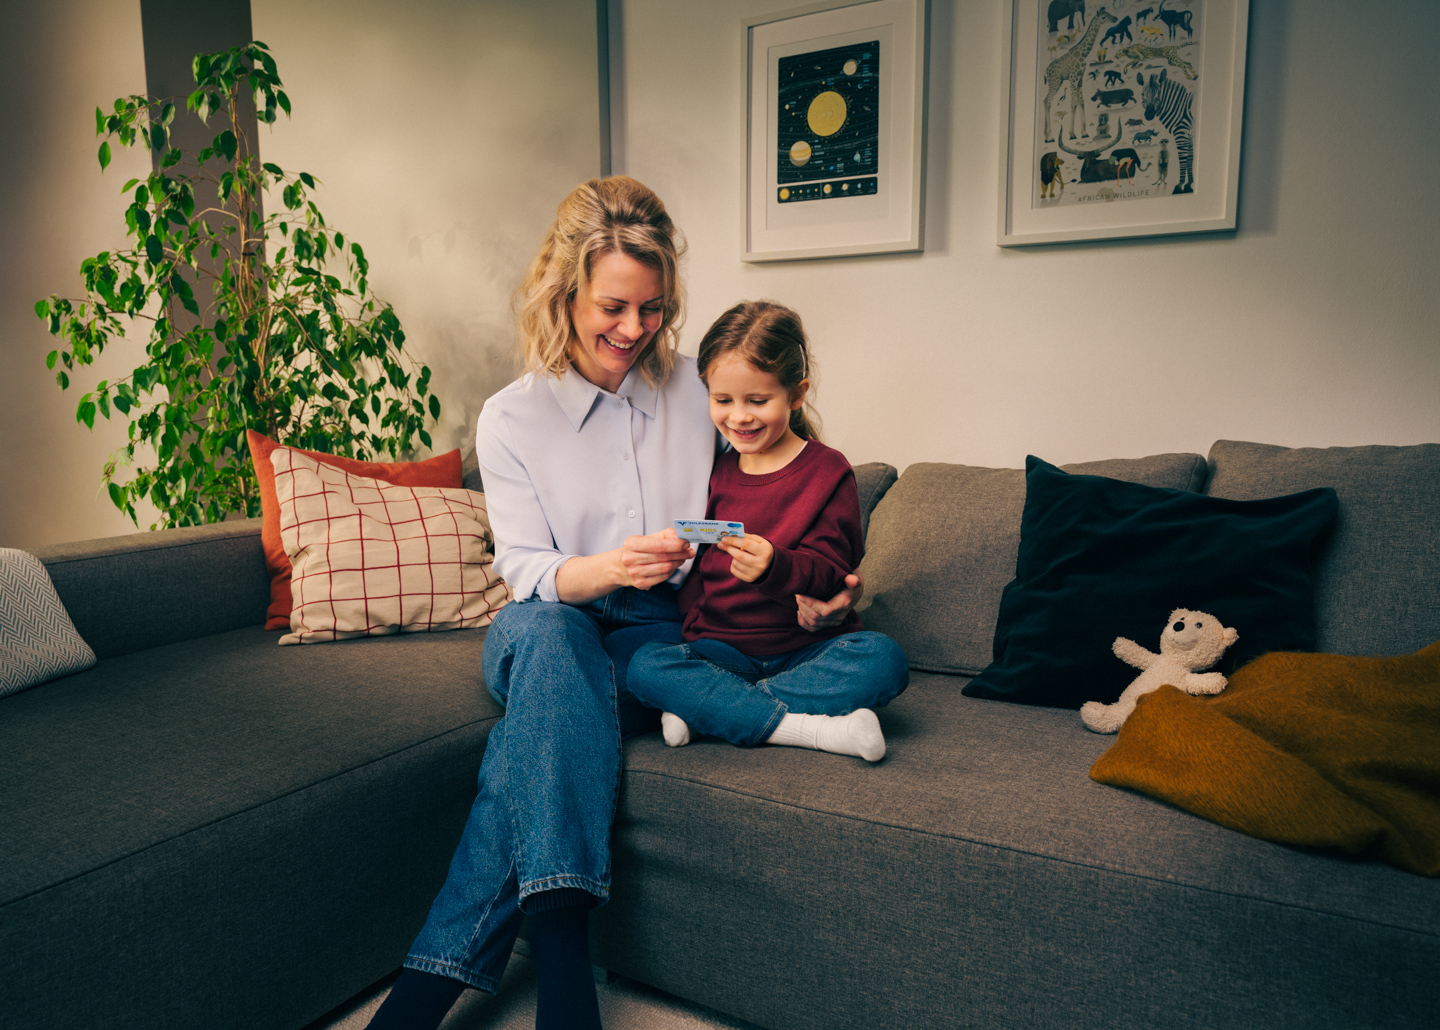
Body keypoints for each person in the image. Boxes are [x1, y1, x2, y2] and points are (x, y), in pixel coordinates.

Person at [365, 178, 861, 1030]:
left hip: (660, 632)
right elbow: (524, 568)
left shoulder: (696, 391)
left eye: (653, 308)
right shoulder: (512, 418)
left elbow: (777, 477)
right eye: (613, 307)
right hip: (544, 623)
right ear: (564, 293)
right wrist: (610, 567)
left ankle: (420, 1000)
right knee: (554, 639)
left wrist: (818, 586)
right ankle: (565, 966)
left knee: (533, 743)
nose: (635, 329)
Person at [628, 301, 908, 762]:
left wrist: (775, 567)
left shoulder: (827, 471)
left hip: (805, 650)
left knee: (883, 658)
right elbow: (703, 571)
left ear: (796, 395)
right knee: (645, 665)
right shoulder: (716, 469)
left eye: (757, 401)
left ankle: (711, 712)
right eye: (723, 400)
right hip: (722, 653)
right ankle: (807, 728)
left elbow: (832, 570)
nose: (739, 417)